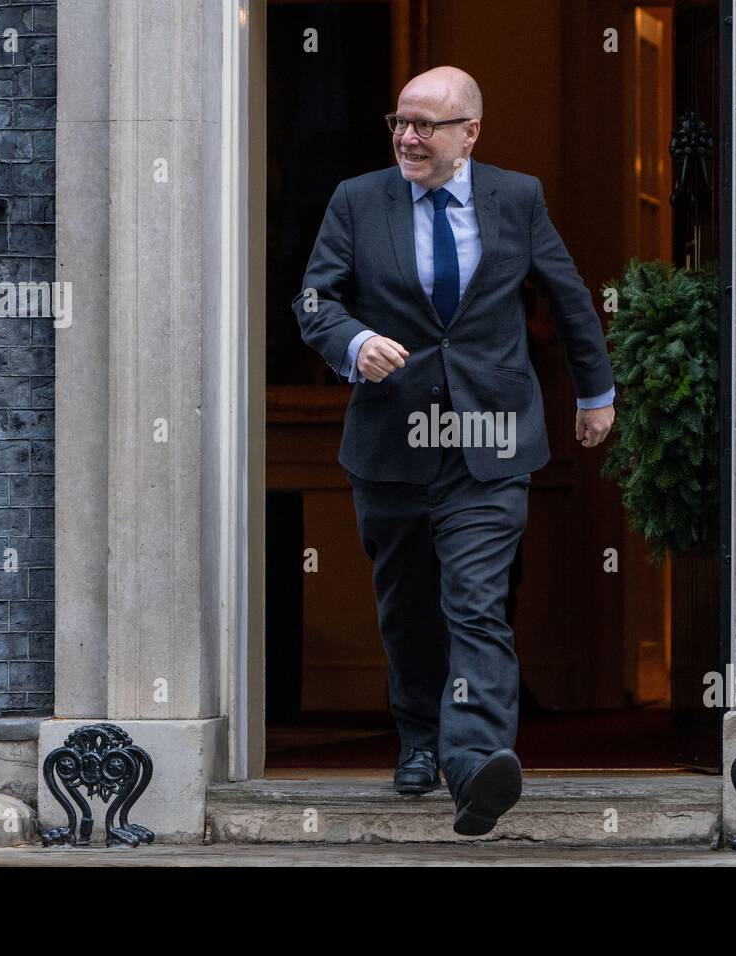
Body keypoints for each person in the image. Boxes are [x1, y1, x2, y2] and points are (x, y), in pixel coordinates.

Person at [292, 65, 615, 835]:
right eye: (400, 121)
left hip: (489, 439)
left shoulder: (518, 197)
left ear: (470, 132)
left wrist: (596, 395)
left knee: (476, 603)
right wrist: (355, 341)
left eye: (427, 125)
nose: (408, 137)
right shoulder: (356, 200)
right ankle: (418, 736)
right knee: (407, 607)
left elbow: (568, 296)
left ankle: (474, 764)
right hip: (391, 440)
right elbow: (314, 299)